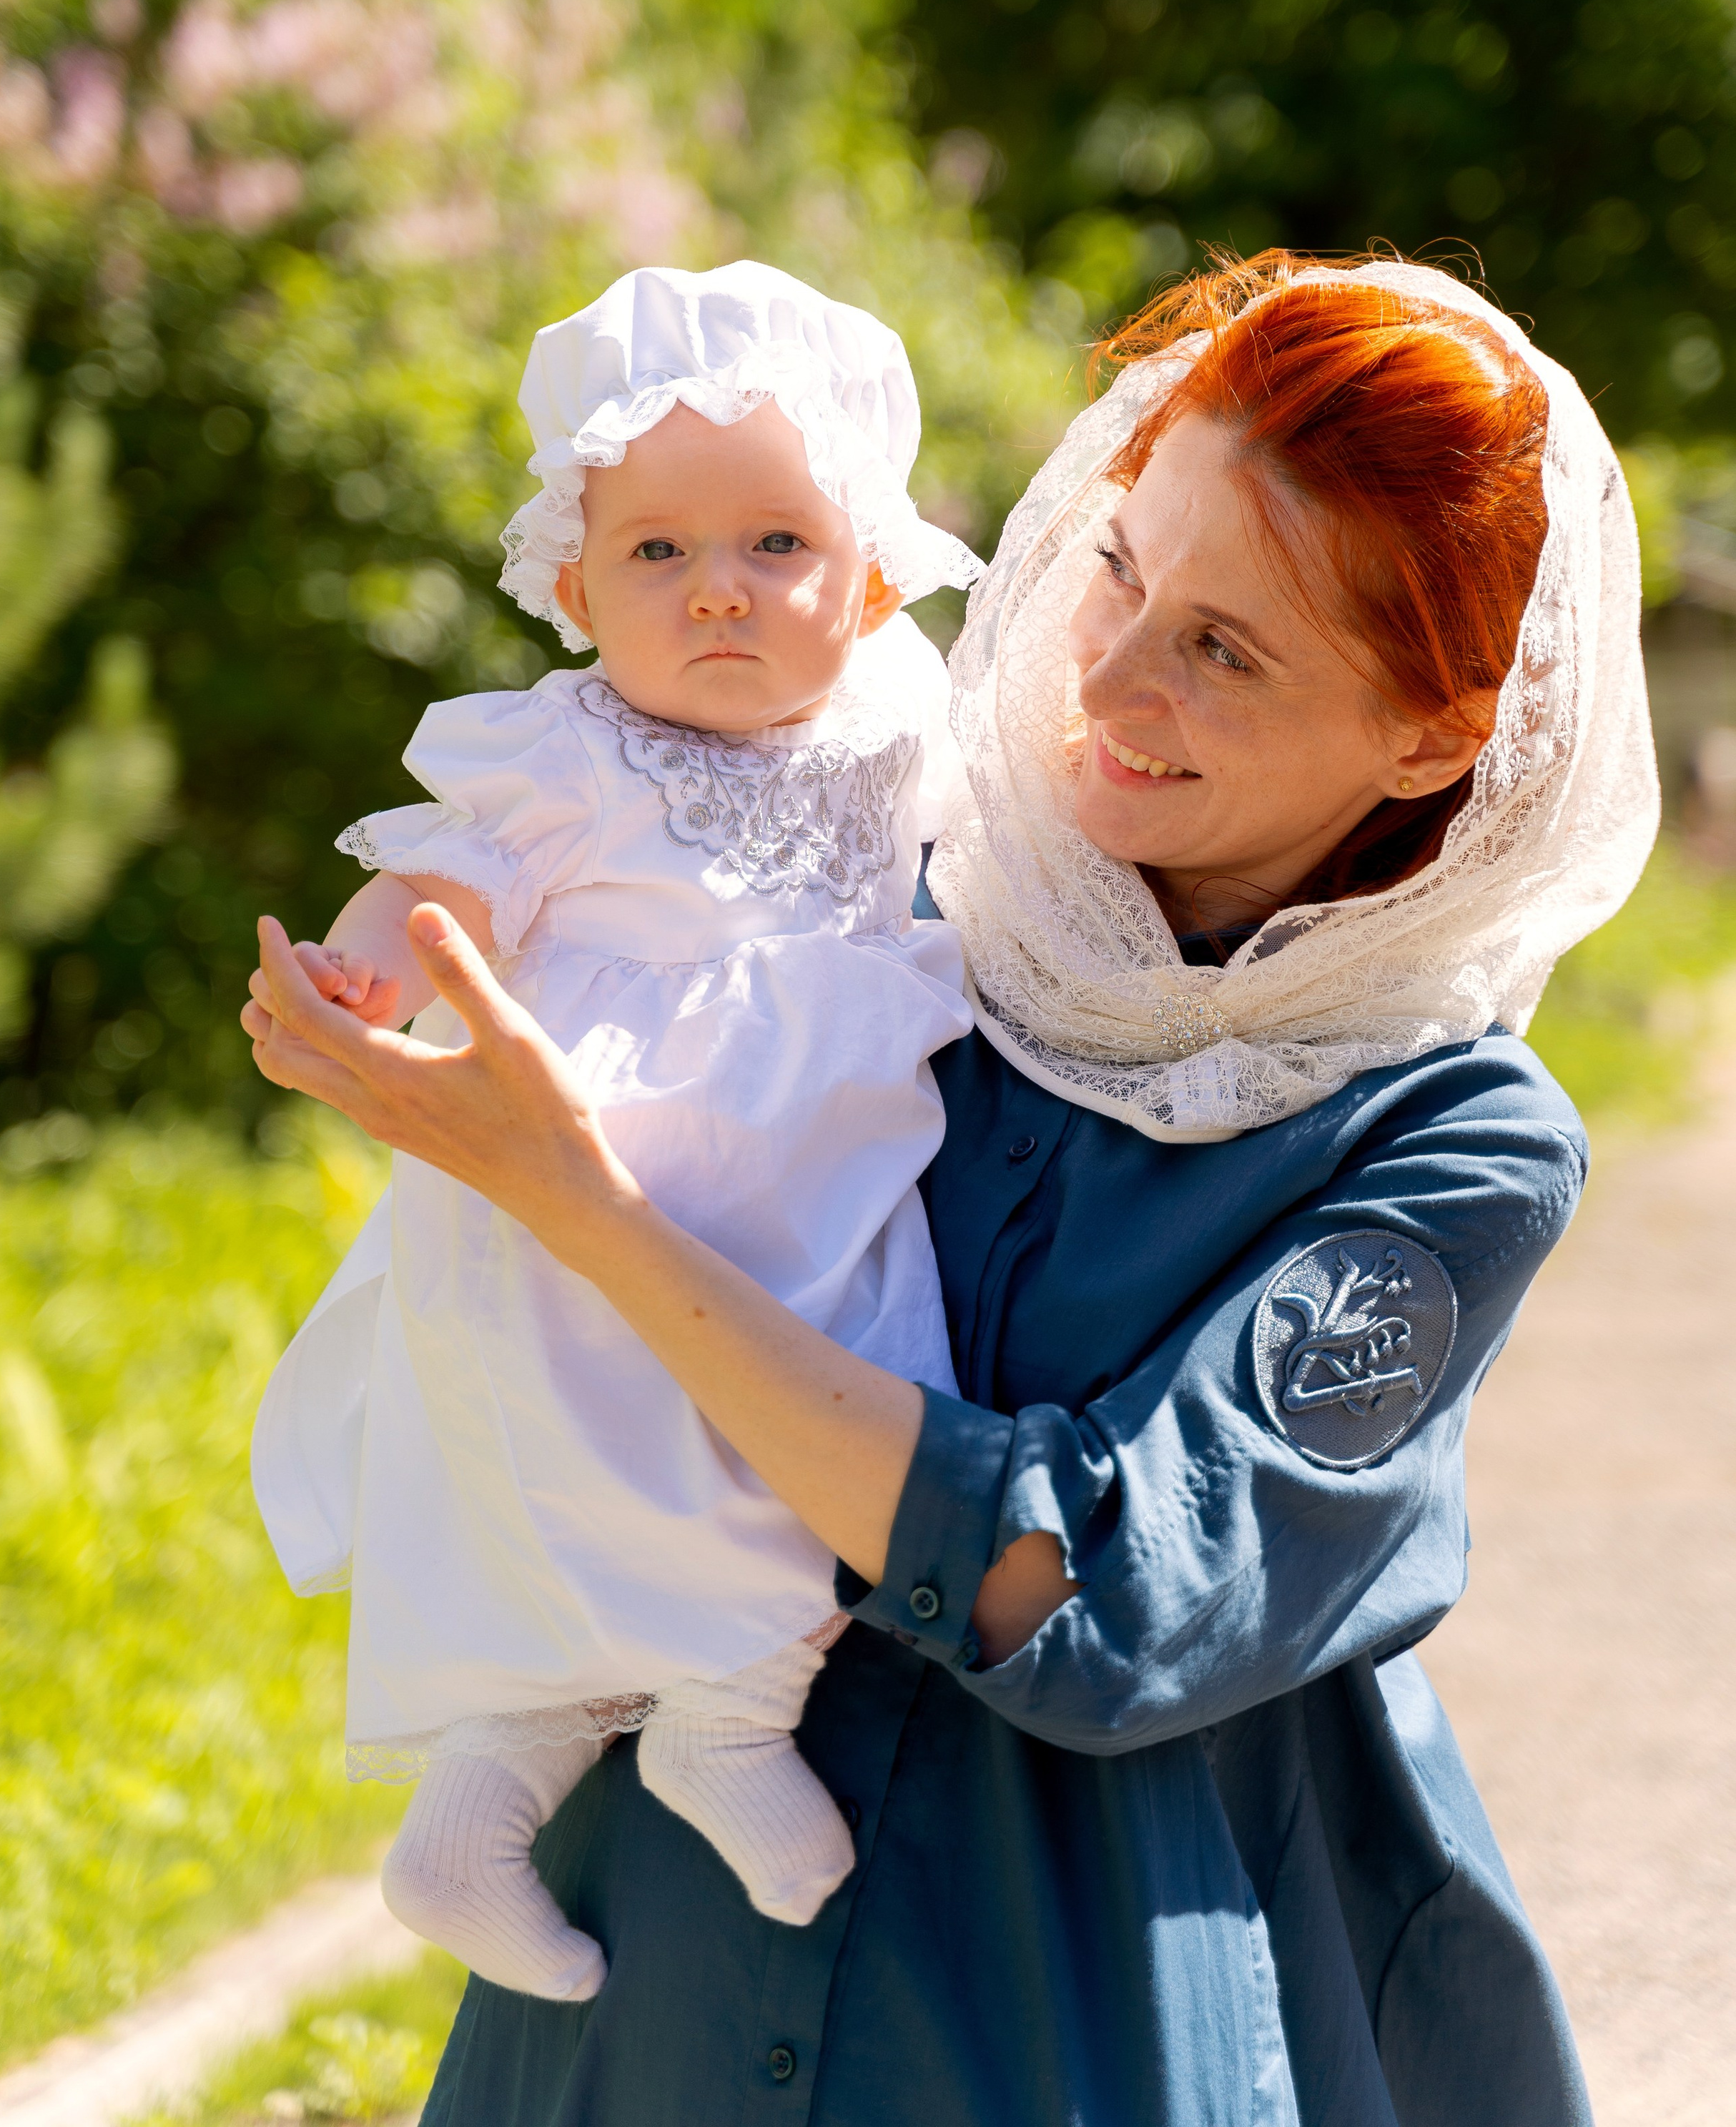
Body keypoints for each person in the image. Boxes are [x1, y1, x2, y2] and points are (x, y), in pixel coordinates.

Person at [243, 254, 1656, 2127]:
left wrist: (588, 1205)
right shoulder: (894, 903)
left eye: (1227, 649)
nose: (1114, 679)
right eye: (1126, 574)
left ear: (1434, 734)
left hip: (1063, 2012)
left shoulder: (1447, 1140)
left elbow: (1105, 1596)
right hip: (657, 1967)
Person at [249, 263, 979, 2003]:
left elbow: (1026, 854)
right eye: (657, 553)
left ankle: (723, 1722)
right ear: (572, 586)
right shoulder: (566, 754)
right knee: (569, 1479)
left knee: (839, 1427)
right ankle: (480, 1808)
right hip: (573, 1175)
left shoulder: (906, 727)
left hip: (823, 1201)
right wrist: (360, 990)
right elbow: (438, 893)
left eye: (774, 548)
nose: (716, 593)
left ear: (872, 571)